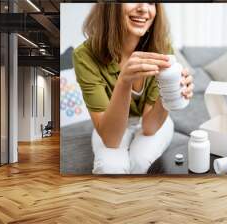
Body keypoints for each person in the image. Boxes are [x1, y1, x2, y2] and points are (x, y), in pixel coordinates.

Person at [73, 3, 194, 174]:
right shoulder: (85, 55)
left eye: (151, 2)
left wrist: (169, 93)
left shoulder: (161, 48)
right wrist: (124, 82)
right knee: (110, 168)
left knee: (140, 161)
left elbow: (150, 127)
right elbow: (111, 140)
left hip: (152, 121)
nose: (144, 8)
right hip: (110, 123)